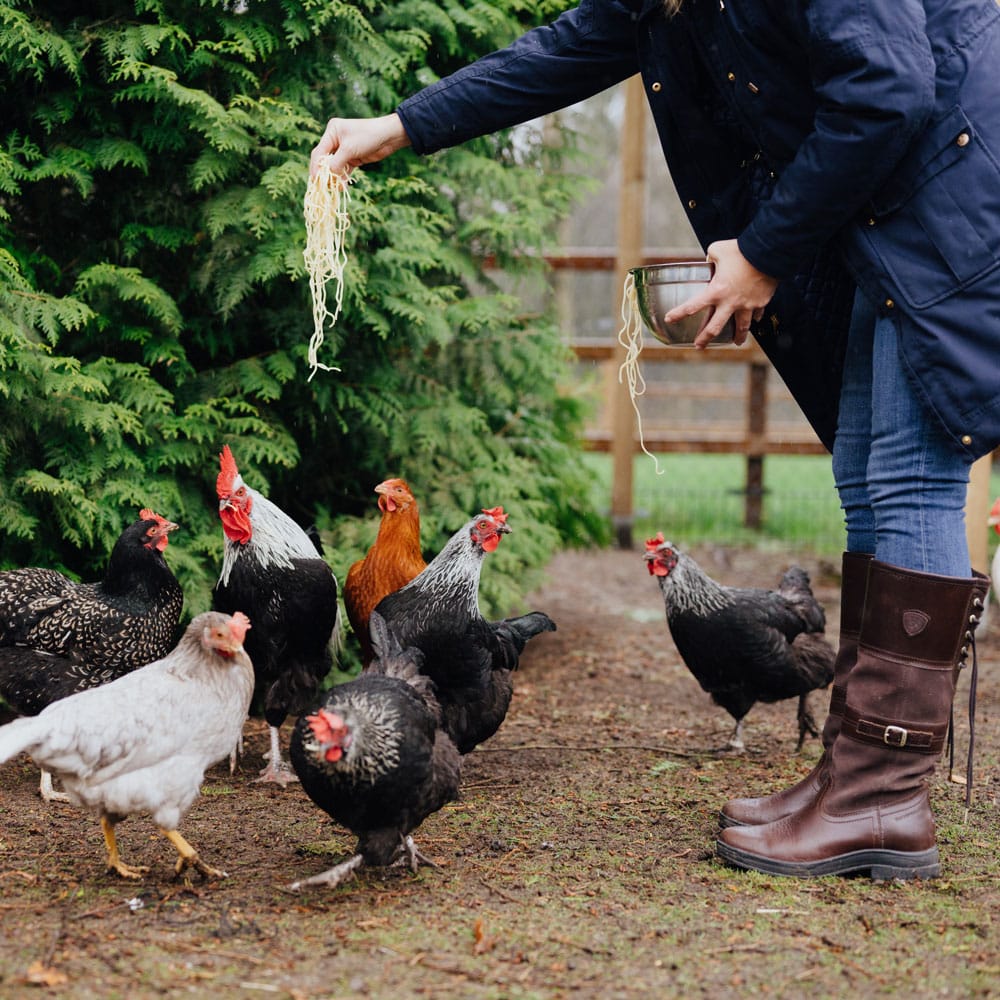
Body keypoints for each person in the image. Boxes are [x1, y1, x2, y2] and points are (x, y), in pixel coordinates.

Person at [311, 0, 1000, 880]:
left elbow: (891, 88)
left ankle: (882, 796)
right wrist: (400, 127)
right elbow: (566, 47)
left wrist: (765, 249)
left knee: (909, 480)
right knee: (868, 477)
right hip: (885, 205)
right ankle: (858, 774)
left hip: (950, 189)